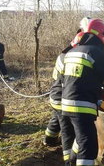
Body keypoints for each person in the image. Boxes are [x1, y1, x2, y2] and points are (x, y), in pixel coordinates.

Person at [61, 18, 104, 166]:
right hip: (81, 105)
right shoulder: (94, 51)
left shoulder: (73, 51)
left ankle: (70, 162)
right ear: (101, 35)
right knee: (88, 145)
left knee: (81, 137)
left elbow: (80, 77)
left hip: (66, 103)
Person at [44, 17, 91, 148]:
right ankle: (67, 157)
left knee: (57, 118)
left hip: (57, 95)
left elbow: (56, 77)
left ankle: (49, 138)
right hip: (62, 97)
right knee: (67, 130)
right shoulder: (70, 57)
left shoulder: (64, 55)